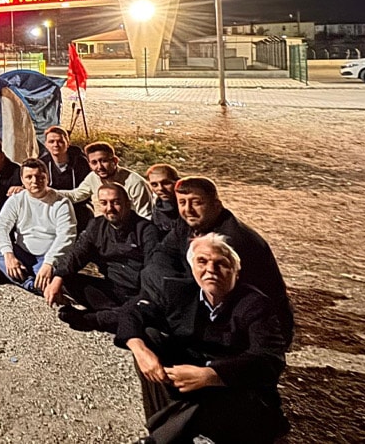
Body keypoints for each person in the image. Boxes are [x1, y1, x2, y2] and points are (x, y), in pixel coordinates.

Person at [117, 234, 289, 444]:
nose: (210, 270)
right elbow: (131, 313)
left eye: (221, 264)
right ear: (192, 267)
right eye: (202, 261)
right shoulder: (179, 293)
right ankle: (175, 431)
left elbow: (269, 359)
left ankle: (158, 439)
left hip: (238, 396)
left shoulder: (256, 305)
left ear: (236, 270)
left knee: (212, 393)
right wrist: (140, 350)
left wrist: (210, 375)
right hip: (190, 386)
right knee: (149, 337)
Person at [143, 176, 294, 348]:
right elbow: (161, 254)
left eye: (196, 202)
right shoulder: (189, 224)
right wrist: (166, 283)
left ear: (216, 205)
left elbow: (217, 287)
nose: (188, 210)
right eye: (182, 203)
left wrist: (172, 289)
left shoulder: (230, 241)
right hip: (216, 303)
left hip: (253, 318)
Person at [43, 182, 162, 333]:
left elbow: (153, 271)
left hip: (138, 290)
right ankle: (119, 315)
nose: (110, 208)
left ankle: (96, 319)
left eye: (116, 202)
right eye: (104, 203)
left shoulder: (146, 230)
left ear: (128, 203)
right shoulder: (97, 225)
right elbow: (77, 255)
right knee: (66, 278)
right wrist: (58, 278)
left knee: (145, 310)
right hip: (111, 288)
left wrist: (141, 298)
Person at [0, 158, 76, 292]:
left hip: (48, 257)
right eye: (29, 177)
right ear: (22, 179)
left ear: (47, 178)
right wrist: (9, 256)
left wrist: (49, 263)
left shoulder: (61, 202)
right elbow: (0, 226)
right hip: (23, 253)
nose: (34, 181)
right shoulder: (17, 199)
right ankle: (29, 283)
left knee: (59, 279)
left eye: (40, 177)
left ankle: (29, 279)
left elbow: (67, 236)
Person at [53, 141, 154, 221]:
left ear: (115, 161)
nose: (99, 167)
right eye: (94, 162)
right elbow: (76, 196)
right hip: (104, 227)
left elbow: (146, 215)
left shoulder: (135, 183)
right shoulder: (93, 177)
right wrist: (46, 193)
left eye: (104, 161)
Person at [36, 126, 93, 229]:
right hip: (51, 206)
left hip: (77, 206)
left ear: (68, 143)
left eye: (60, 141)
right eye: (51, 141)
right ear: (46, 145)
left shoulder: (80, 162)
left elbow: (85, 192)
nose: (56, 145)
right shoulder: (42, 164)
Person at [145, 164, 182, 235]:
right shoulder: (157, 208)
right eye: (154, 185)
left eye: (166, 183)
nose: (160, 188)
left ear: (177, 182)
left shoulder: (189, 205)